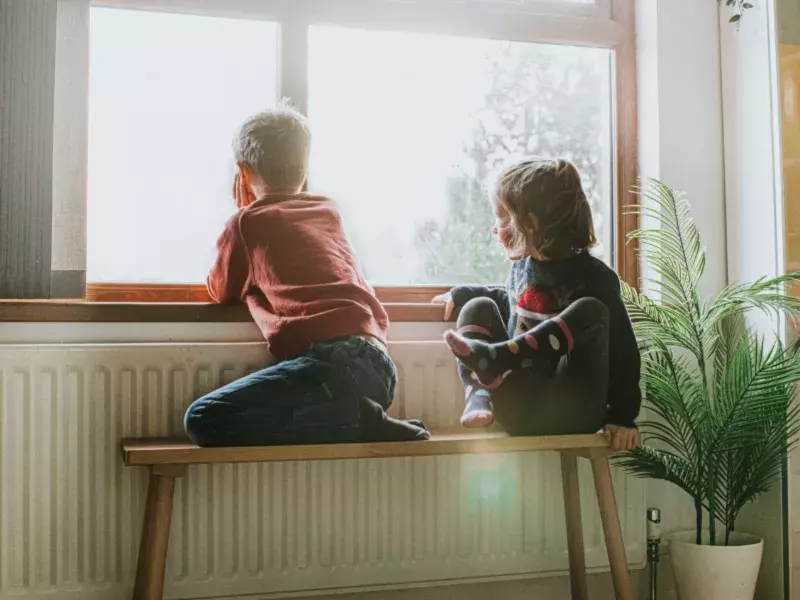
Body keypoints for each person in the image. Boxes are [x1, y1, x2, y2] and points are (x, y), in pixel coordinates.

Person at [184, 102, 429, 446]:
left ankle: (355, 418)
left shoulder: (247, 222)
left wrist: (243, 217)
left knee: (203, 418)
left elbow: (221, 289)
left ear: (242, 173)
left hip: (333, 365)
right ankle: (357, 416)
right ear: (304, 167)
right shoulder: (328, 210)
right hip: (379, 366)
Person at [434, 158, 640, 451]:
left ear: (531, 224)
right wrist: (463, 293)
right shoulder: (521, 270)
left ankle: (498, 359)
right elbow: (510, 300)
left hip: (571, 410)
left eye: (502, 218)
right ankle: (479, 391)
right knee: (477, 306)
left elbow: (623, 352)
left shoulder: (595, 278)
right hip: (516, 409)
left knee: (591, 311)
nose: (495, 229)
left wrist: (623, 416)